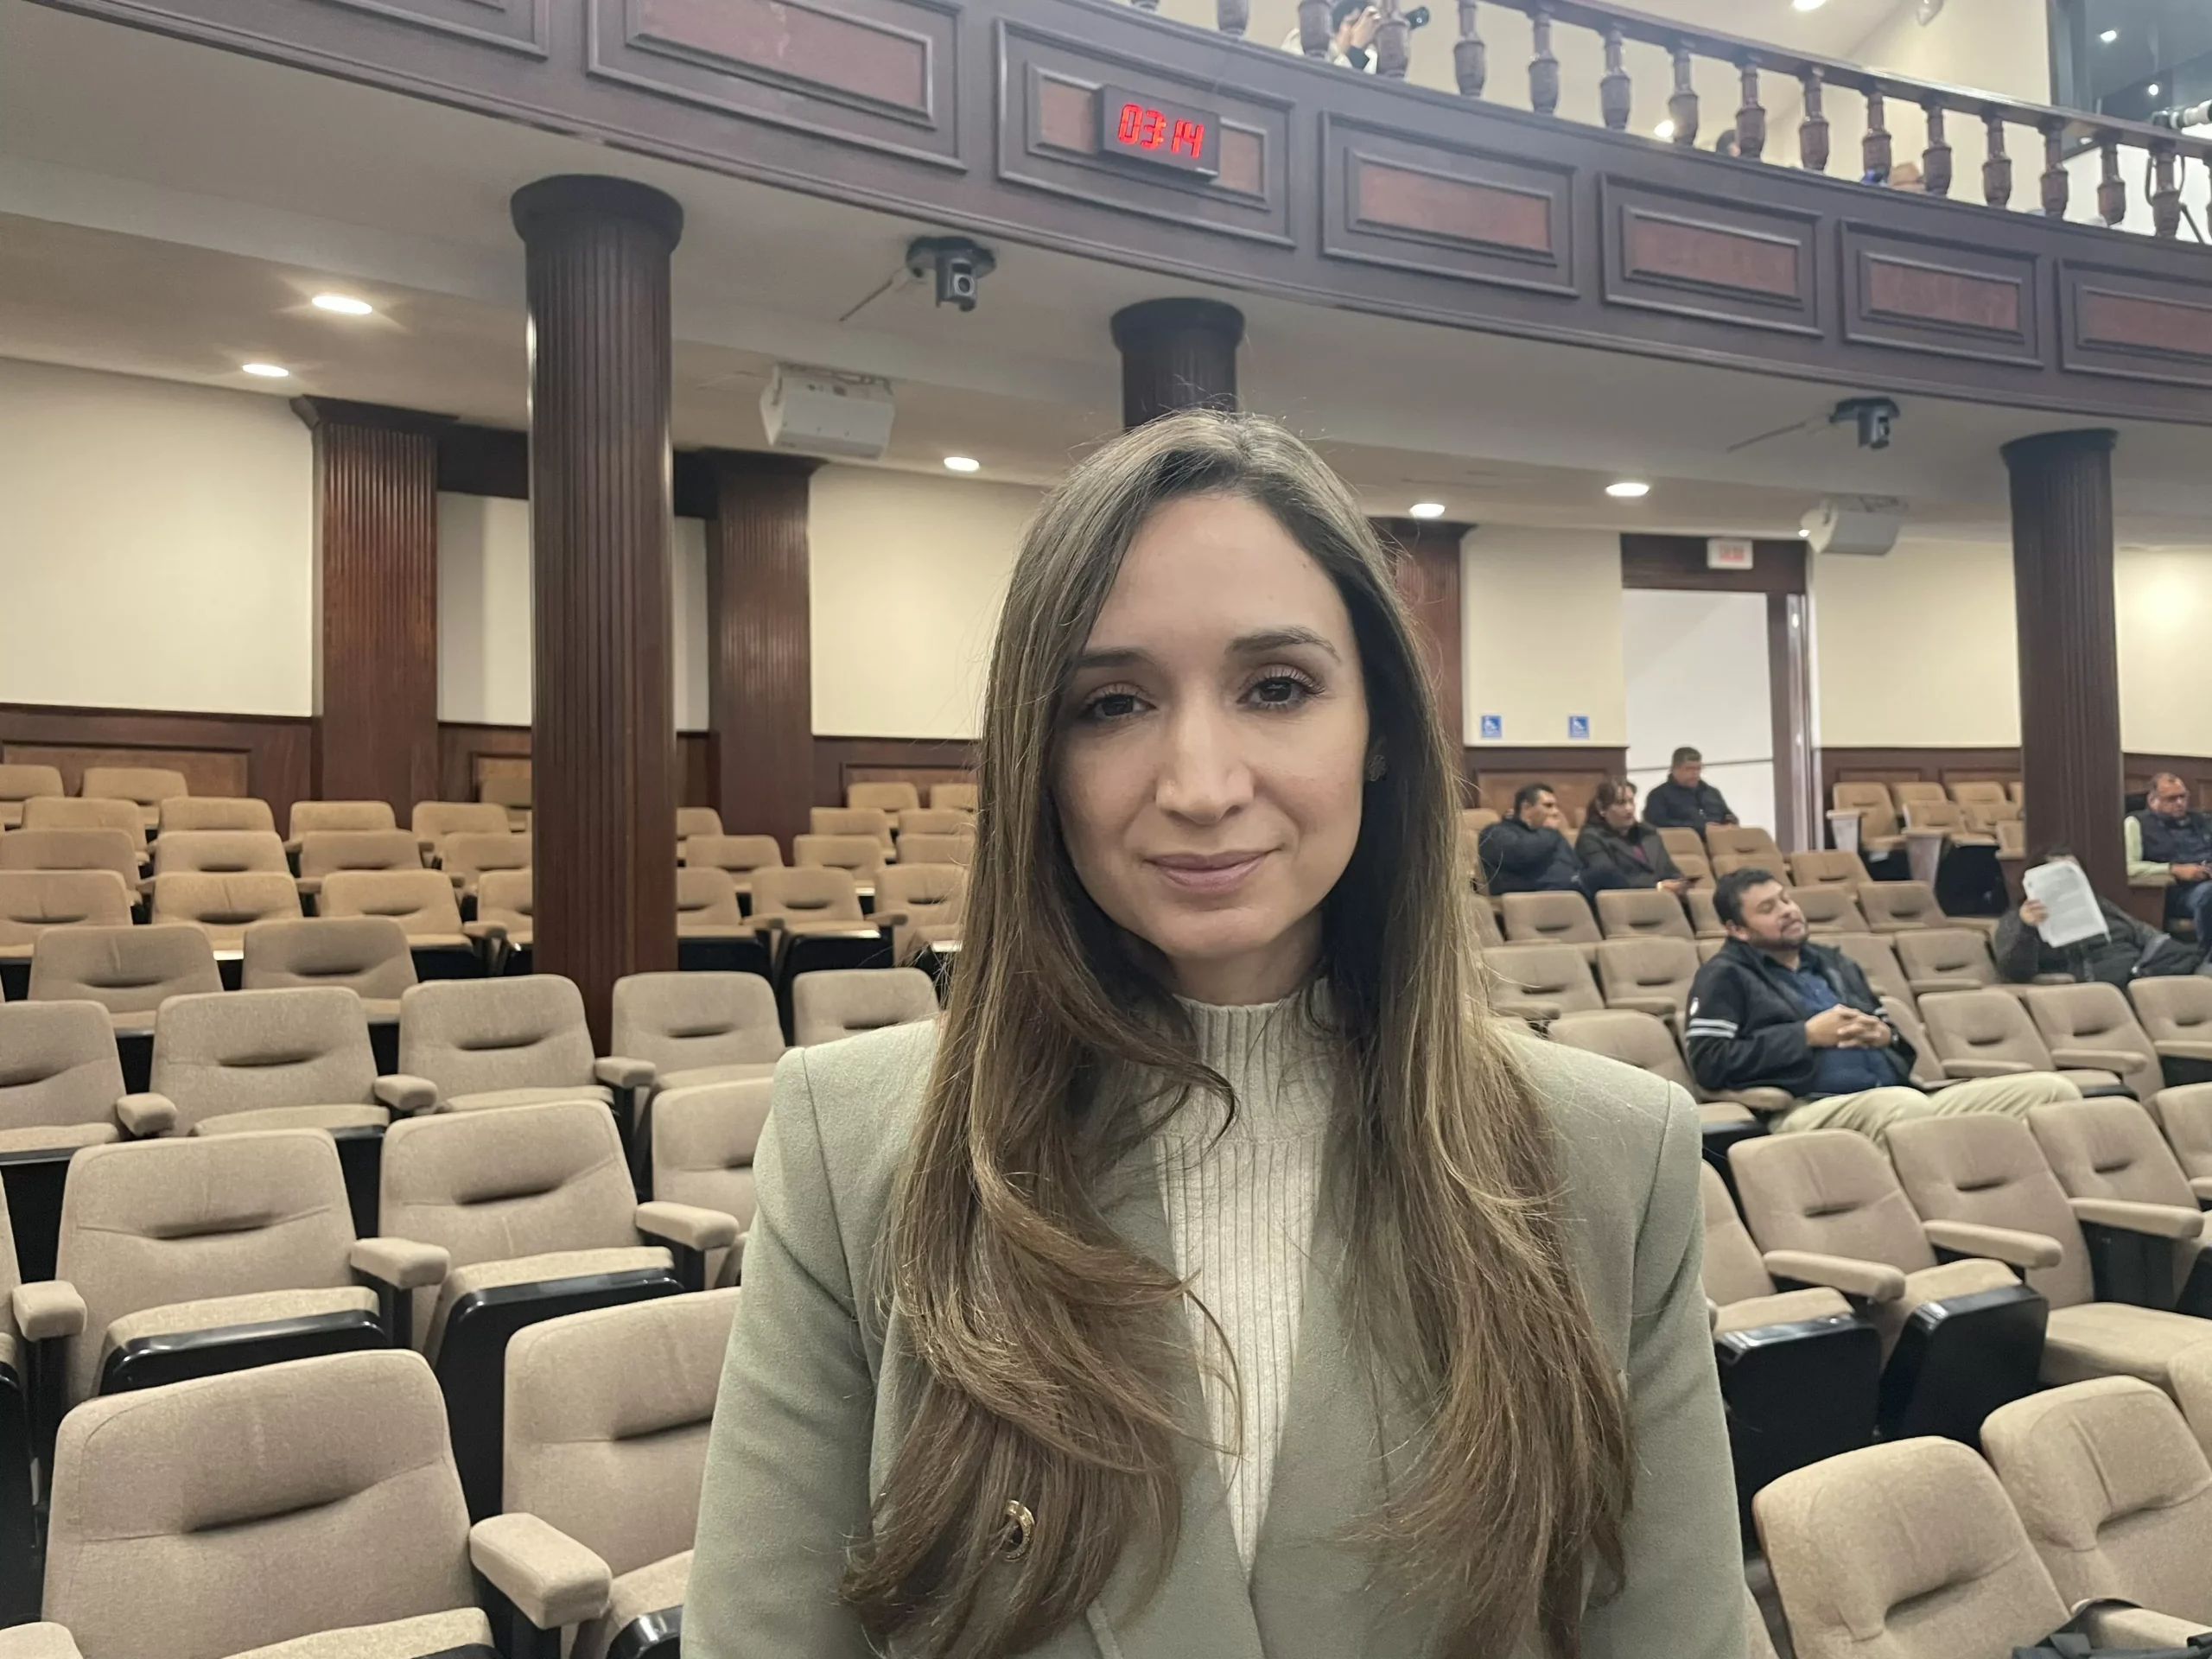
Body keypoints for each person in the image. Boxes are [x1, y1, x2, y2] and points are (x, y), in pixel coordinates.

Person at [688, 411, 1742, 1656]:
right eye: (1112, 703)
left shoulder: (1615, 1154)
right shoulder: (851, 1143)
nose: (1200, 785)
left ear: (1381, 730)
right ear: (1038, 757)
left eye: (1277, 688)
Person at [1687, 868, 2080, 1144]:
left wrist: (1884, 1037)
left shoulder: (1834, 964)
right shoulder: (1725, 975)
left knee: (2052, 1092)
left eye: (1785, 899)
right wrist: (1805, 1036)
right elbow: (1710, 1062)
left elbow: (1901, 1049)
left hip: (1899, 1094)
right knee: (1904, 1109)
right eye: (1768, 908)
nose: (1788, 910)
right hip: (1806, 1109)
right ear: (1737, 930)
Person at [1995, 850, 2205, 985]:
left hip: (2147, 971)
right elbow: (2015, 972)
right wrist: (2027, 928)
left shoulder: (2099, 905)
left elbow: (2142, 933)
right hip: (2105, 990)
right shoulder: (2017, 920)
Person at [2128, 772, 2212, 943]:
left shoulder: (2201, 820)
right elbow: (2129, 867)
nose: (2180, 803)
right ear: (2152, 800)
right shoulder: (2136, 823)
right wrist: (2173, 869)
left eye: (2183, 796)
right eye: (2171, 799)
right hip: (2175, 891)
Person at [1577, 778, 1688, 895]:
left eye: (1631, 801)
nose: (1629, 809)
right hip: (1626, 902)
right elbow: (1608, 877)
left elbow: (1670, 870)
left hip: (1666, 901)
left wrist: (1681, 883)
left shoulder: (1648, 833)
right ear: (1601, 808)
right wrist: (1657, 886)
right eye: (1620, 803)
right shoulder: (1591, 839)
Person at [1476, 780, 1586, 895]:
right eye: (1548, 806)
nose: (1556, 812)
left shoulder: (1551, 834)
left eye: (1556, 806)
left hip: (1569, 895)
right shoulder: (1495, 833)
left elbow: (1575, 867)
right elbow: (1525, 855)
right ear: (1526, 807)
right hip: (1529, 900)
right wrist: (1548, 831)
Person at [1642, 747, 1737, 835]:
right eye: (1689, 769)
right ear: (1674, 769)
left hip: (1720, 841)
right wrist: (1700, 828)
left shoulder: (1711, 792)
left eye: (1698, 769)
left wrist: (1730, 822)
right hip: (1682, 844)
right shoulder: (1659, 795)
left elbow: (1728, 815)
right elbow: (1657, 823)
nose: (1695, 773)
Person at [1281, 1, 1380, 70]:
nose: (1361, 32)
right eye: (1354, 23)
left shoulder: (1372, 58)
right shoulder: (1300, 41)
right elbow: (1320, 88)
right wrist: (1354, 53)